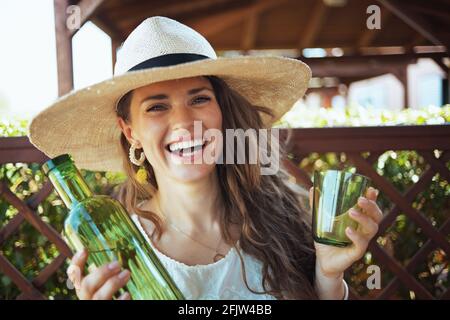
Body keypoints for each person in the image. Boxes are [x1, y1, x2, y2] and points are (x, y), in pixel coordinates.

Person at [29, 16, 382, 300]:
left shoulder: (283, 219)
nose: (184, 122)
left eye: (199, 99)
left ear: (222, 113)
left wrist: (329, 277)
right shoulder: (118, 249)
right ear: (130, 131)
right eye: (157, 107)